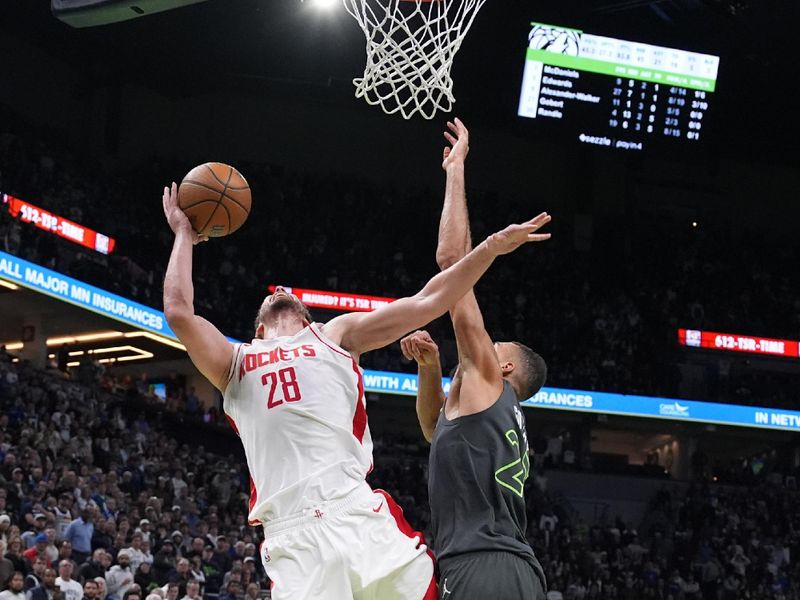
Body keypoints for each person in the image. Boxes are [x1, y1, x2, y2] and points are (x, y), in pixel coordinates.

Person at [161, 178, 547, 600]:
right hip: (294, 535)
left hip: (358, 514)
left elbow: (428, 300)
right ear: (258, 328)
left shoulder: (333, 334)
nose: (284, 291)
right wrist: (184, 234)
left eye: (292, 295)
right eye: (274, 296)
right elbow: (180, 312)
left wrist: (489, 249)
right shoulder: (232, 363)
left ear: (308, 318)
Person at [402, 119, 549, 599]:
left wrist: (456, 168)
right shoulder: (486, 415)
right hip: (506, 571)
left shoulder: (490, 380)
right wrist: (428, 370)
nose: (485, 346)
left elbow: (452, 260)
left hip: (485, 569)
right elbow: (433, 428)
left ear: (503, 368)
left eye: (495, 345)